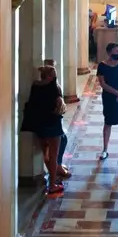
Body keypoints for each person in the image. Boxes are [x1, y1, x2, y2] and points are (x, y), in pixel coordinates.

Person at [20, 63, 70, 195]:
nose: (55, 78)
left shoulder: (34, 86)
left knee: (46, 154)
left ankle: (51, 178)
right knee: (53, 155)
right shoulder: (54, 87)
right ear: (49, 77)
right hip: (53, 124)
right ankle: (53, 184)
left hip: (39, 125)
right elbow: (60, 105)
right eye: (53, 76)